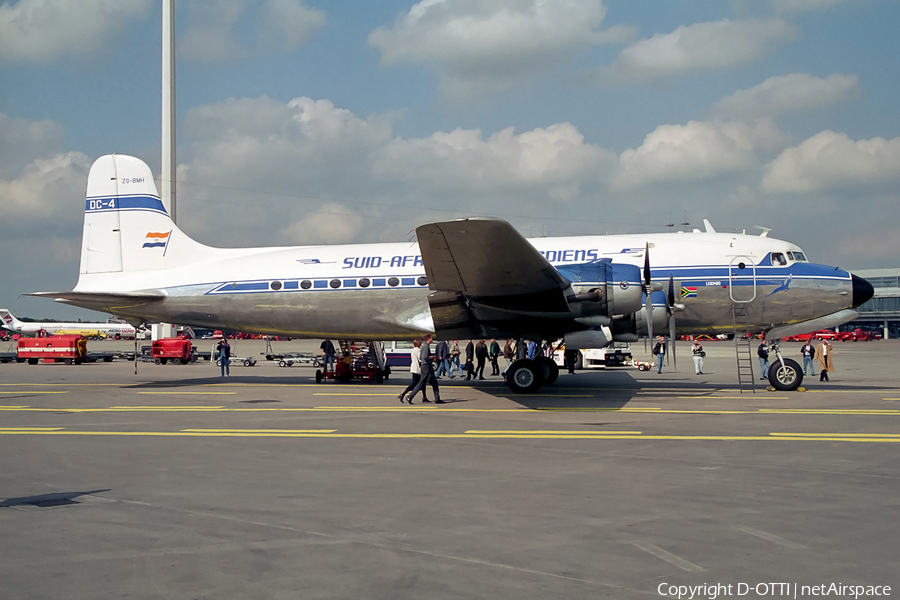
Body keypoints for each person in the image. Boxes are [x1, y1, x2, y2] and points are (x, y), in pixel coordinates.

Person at [404, 334, 444, 403]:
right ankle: (410, 396)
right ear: (428, 339)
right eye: (431, 338)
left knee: (434, 383)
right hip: (426, 366)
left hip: (427, 366)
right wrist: (432, 357)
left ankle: (437, 399)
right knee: (422, 382)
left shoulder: (425, 346)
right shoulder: (425, 346)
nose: (432, 339)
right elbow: (424, 357)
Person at [398, 339, 428, 403]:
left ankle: (424, 397)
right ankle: (403, 394)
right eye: (420, 342)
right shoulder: (418, 351)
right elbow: (420, 359)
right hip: (418, 369)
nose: (421, 343)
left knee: (422, 383)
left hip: (414, 368)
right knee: (415, 384)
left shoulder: (413, 350)